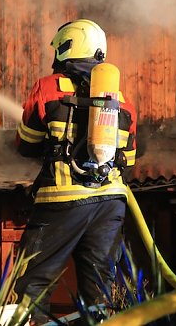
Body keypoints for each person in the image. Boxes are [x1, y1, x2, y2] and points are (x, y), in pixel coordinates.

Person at [13, 19, 137, 321]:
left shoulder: (47, 88)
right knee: (99, 292)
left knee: (33, 282)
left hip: (61, 200)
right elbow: (129, 162)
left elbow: (26, 144)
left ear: (67, 47)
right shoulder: (121, 101)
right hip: (111, 205)